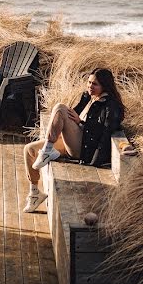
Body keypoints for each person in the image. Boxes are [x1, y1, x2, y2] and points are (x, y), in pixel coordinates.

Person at [22, 68, 125, 213]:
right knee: (29, 150)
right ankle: (34, 193)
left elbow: (104, 131)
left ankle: (47, 150)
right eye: (89, 82)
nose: (90, 86)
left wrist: (81, 123)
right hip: (73, 141)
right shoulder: (88, 97)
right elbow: (72, 117)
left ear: (105, 86)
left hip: (84, 149)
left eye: (94, 84)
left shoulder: (110, 105)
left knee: (60, 108)